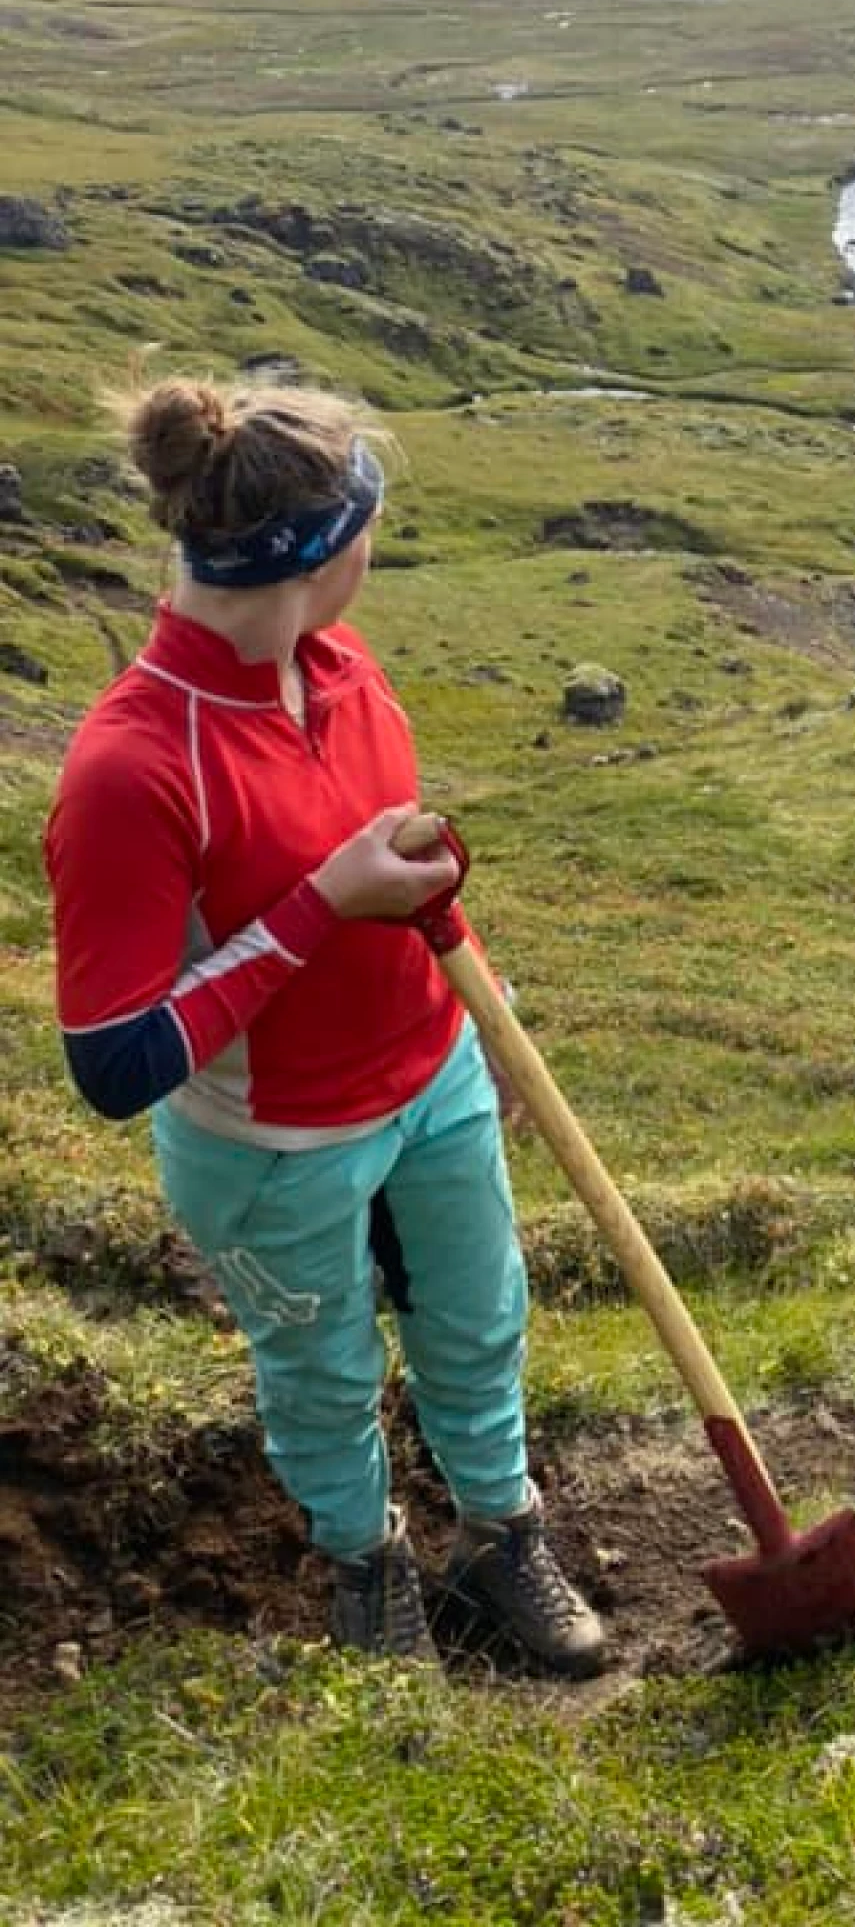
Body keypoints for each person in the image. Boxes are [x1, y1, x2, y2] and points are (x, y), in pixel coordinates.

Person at [42, 371, 609, 1677]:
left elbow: (399, 867)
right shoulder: (135, 769)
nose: (377, 552)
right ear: (315, 553)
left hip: (435, 1075)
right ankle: (366, 1569)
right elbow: (116, 1064)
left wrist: (490, 1012)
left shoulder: (344, 668)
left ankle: (500, 1535)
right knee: (320, 1372)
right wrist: (316, 906)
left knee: (479, 1317)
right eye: (371, 529)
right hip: (269, 1144)